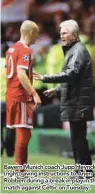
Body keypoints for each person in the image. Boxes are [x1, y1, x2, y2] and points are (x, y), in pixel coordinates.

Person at [34, 20, 94, 177]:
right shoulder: (73, 50)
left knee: (79, 138)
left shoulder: (78, 51)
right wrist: (58, 90)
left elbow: (71, 74)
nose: (62, 36)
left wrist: (46, 78)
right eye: (61, 33)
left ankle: (84, 172)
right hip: (75, 100)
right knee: (77, 137)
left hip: (78, 101)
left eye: (65, 33)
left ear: (74, 34)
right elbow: (74, 79)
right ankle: (82, 170)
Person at [5, 20, 41, 167]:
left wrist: (30, 73)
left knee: (22, 131)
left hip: (11, 95)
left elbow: (14, 72)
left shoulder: (11, 49)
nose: (36, 37)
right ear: (31, 32)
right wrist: (34, 93)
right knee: (24, 132)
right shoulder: (25, 50)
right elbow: (20, 74)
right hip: (21, 96)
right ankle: (20, 169)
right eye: (36, 34)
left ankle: (21, 166)